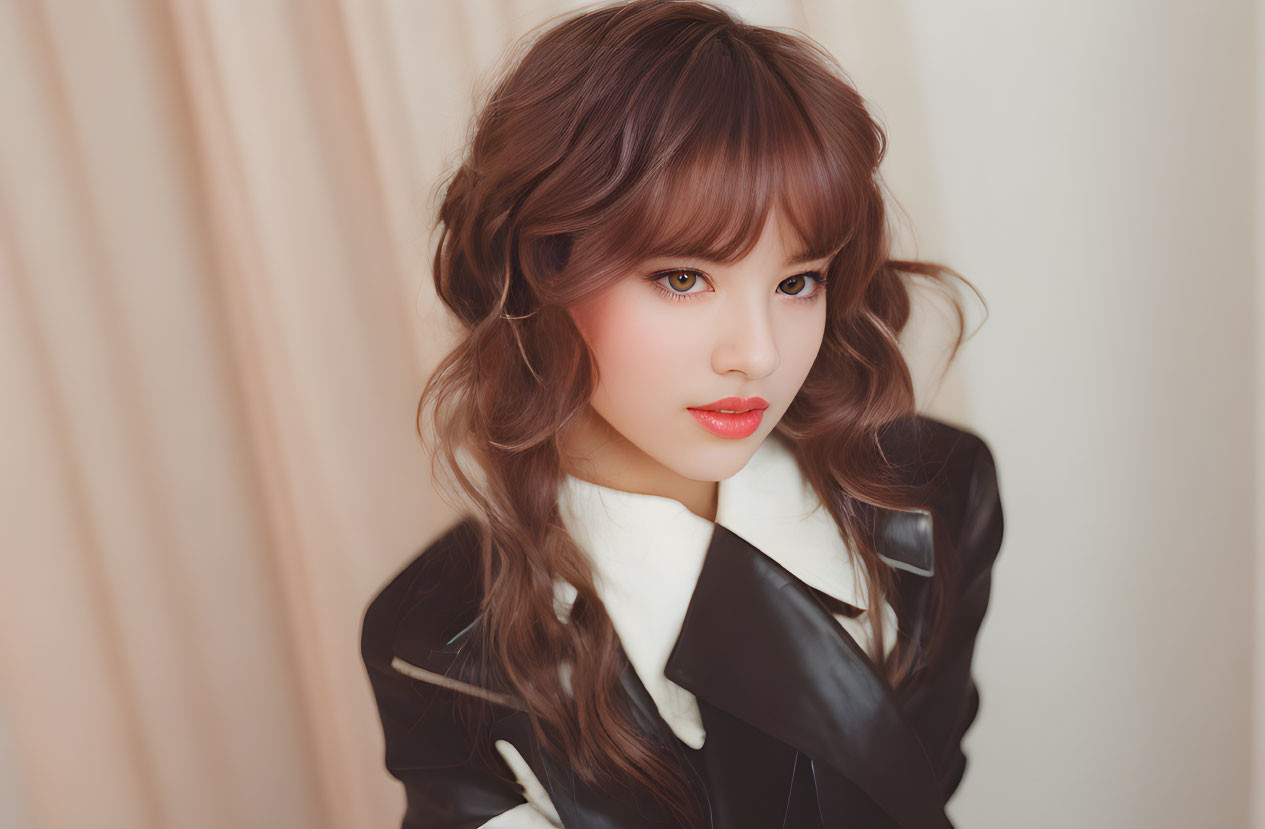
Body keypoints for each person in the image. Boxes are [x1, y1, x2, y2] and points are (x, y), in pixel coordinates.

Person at [359, 1, 1006, 827]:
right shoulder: (438, 642)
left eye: (796, 280)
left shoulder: (931, 496)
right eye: (682, 278)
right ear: (536, 271)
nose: (757, 353)